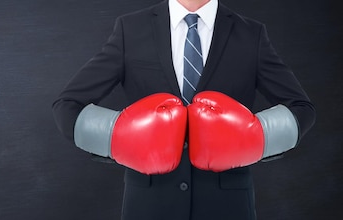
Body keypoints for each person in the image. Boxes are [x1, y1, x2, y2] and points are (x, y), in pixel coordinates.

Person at [51, 0, 316, 219]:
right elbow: (68, 105)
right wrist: (118, 140)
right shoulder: (130, 29)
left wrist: (255, 139)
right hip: (148, 206)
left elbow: (301, 108)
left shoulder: (251, 34)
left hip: (228, 207)